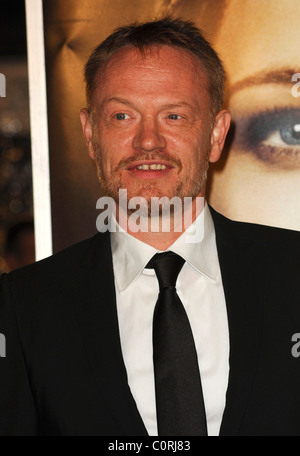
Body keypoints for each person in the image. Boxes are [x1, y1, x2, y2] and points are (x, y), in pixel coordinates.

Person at [0, 17, 299, 437]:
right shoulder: (23, 307)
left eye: (174, 116)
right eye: (122, 116)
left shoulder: (293, 273)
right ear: (90, 134)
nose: (147, 141)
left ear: (216, 135)